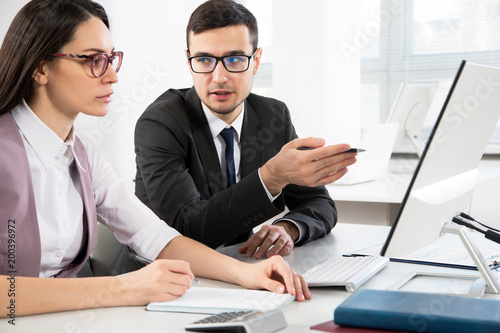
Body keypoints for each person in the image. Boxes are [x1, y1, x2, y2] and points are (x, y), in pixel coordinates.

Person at [0, 0, 310, 318]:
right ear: (40, 67)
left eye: (111, 59)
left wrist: (245, 274)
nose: (112, 77)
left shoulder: (81, 155)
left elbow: (153, 235)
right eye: (93, 60)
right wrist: (123, 288)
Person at [134, 0, 358, 259]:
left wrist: (287, 228)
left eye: (235, 59)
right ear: (188, 61)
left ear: (256, 60)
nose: (219, 77)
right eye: (204, 60)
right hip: (158, 277)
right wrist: (271, 177)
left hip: (238, 268)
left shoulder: (273, 116)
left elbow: (318, 203)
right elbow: (187, 229)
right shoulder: (161, 123)